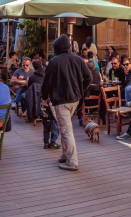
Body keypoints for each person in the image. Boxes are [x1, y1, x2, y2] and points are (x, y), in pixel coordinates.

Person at [42, 34, 91, 171]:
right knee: (65, 128)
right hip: (75, 99)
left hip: (61, 100)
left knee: (66, 130)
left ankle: (72, 162)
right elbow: (89, 77)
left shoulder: (54, 61)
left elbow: (47, 82)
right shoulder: (78, 59)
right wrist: (81, 91)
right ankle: (65, 155)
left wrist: (44, 96)